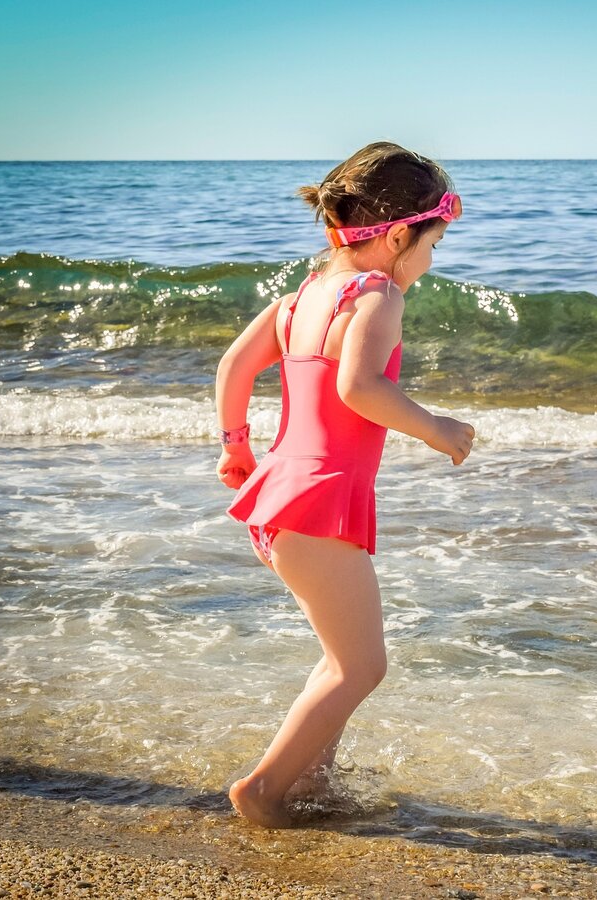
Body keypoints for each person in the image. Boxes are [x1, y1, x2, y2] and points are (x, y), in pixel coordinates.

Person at [214, 142, 475, 828]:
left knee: (339, 659)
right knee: (361, 668)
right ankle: (264, 789)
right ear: (396, 237)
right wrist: (434, 428)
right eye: (433, 244)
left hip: (277, 502)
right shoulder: (377, 297)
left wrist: (236, 449)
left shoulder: (299, 299)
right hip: (319, 505)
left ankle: (312, 779)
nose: (430, 261)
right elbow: (358, 388)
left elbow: (234, 368)